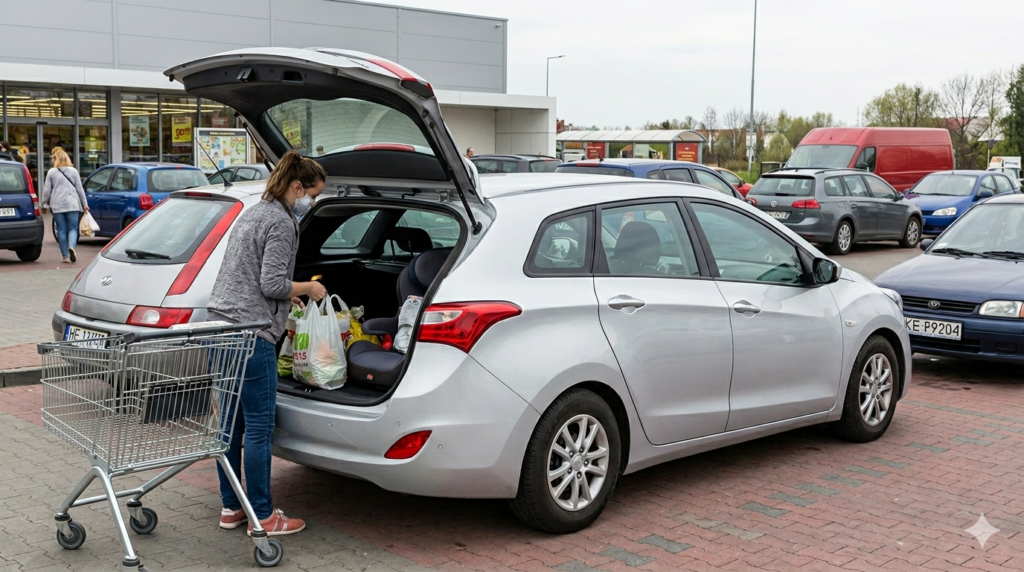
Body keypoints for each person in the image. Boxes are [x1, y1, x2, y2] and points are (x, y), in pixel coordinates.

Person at [207, 151, 328, 536]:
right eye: (312, 194)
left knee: (229, 427)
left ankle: (231, 507)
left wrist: (282, 297)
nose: (311, 202)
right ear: (297, 187)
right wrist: (308, 288)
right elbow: (271, 283)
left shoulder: (254, 212)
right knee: (259, 427)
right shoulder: (281, 221)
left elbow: (251, 275)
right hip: (251, 335)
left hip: (220, 328)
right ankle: (263, 514)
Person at [40, 148, 88, 263]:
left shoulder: (52, 172)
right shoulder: (74, 171)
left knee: (61, 230)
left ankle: (65, 256)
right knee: (73, 228)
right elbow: (80, 189)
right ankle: (72, 246)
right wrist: (85, 204)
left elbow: (47, 190)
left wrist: (44, 204)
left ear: (55, 159)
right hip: (72, 204)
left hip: (57, 205)